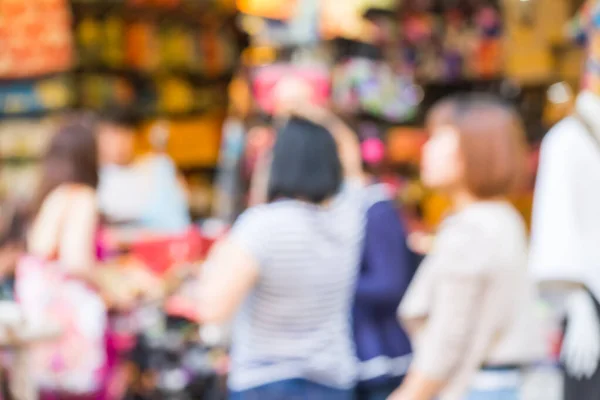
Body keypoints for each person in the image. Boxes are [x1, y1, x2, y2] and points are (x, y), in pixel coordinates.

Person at [195, 106, 366, 399]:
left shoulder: (263, 226)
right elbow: (352, 160)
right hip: (333, 381)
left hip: (265, 383)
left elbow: (213, 309)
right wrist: (310, 108)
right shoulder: (348, 219)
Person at [390, 94, 542, 400]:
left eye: (439, 139)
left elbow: (447, 340)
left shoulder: (472, 229)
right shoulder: (500, 218)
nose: (427, 150)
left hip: (475, 387)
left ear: (475, 150)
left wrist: (409, 394)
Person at [20, 117, 150, 400]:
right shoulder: (82, 198)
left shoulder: (49, 197)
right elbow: (76, 261)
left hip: (49, 342)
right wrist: (115, 286)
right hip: (79, 339)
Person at [353, 133, 416, 400]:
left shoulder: (377, 209)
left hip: (382, 356)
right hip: (364, 356)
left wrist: (333, 282)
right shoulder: (359, 208)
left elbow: (389, 282)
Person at [96, 108, 190, 235]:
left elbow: (178, 224)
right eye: (111, 135)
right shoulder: (93, 176)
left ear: (137, 136)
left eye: (125, 134)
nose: (118, 143)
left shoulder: (159, 168)